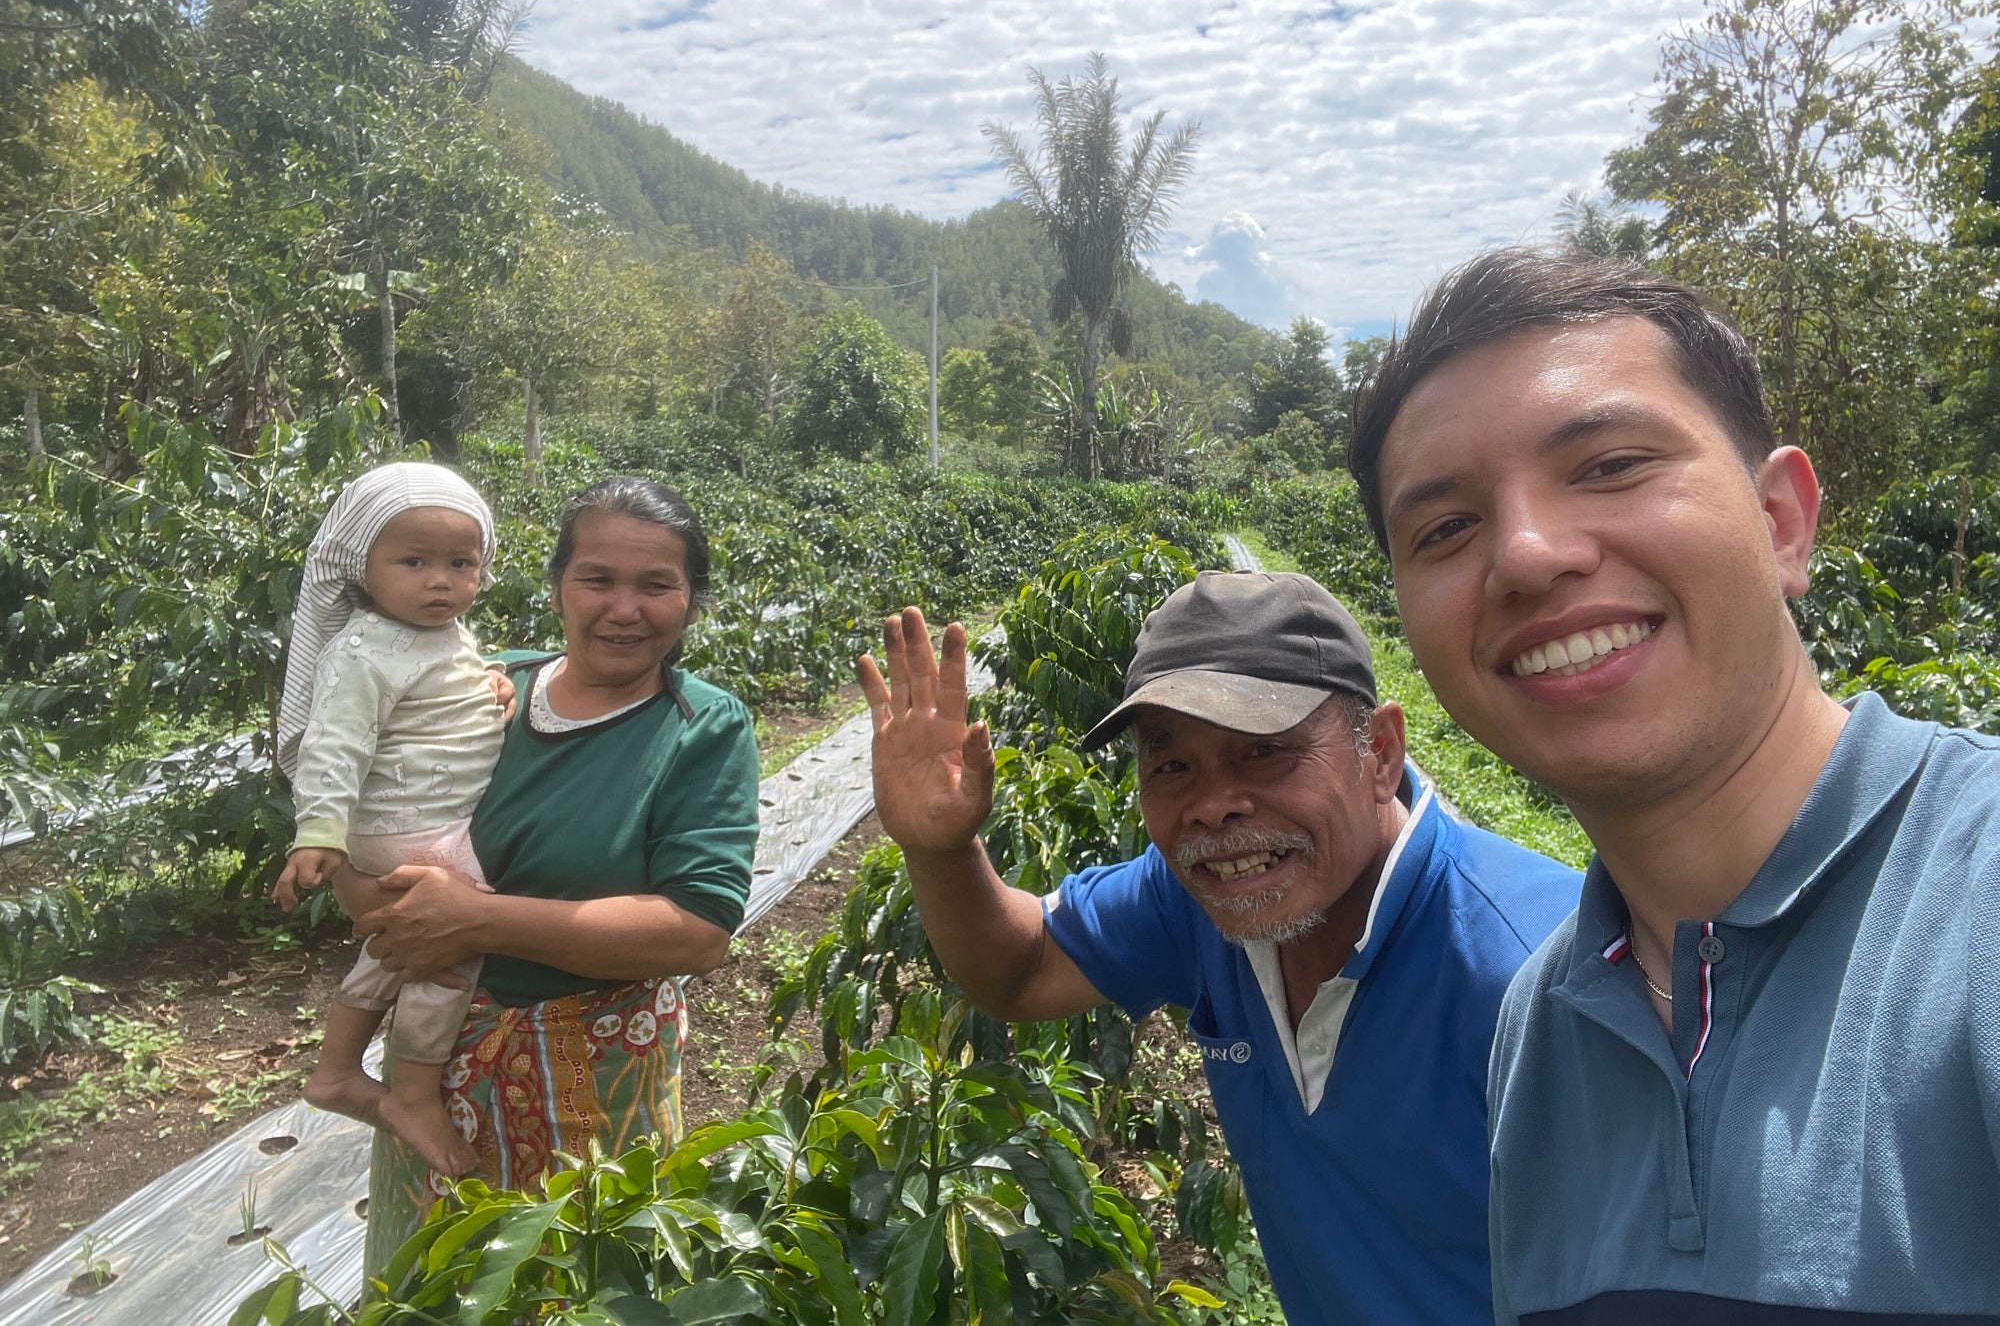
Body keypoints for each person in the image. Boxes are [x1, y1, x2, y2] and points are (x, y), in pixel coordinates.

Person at [1350, 246, 2000, 1323]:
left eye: (1607, 465)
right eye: (1445, 528)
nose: (1524, 554)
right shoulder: (1538, 1025)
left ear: (1782, 521)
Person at [860, 574, 1580, 1324]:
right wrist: (941, 851)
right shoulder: (1200, 902)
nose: (1211, 806)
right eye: (1172, 766)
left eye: (1266, 751)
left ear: (1382, 755)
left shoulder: (1540, 979)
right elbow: (1021, 970)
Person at [338, 476, 763, 1280]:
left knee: (576, 1281)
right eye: (597, 578)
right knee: (430, 1279)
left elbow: (697, 931)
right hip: (432, 1063)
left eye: (656, 585)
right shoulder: (477, 688)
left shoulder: (701, 728)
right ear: (558, 585)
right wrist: (366, 895)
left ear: (692, 600)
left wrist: (476, 920)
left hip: (588, 1079)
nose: (624, 608)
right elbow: (379, 821)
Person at [274, 461, 507, 1178]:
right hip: (413, 825)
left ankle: (337, 1069)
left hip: (426, 819)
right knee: (459, 935)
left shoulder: (441, 633)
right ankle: (410, 1092)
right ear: (362, 569)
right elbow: (334, 743)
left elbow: (439, 688)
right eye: (413, 562)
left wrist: (491, 682)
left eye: (460, 563)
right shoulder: (364, 648)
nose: (440, 580)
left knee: (396, 943)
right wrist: (318, 832)